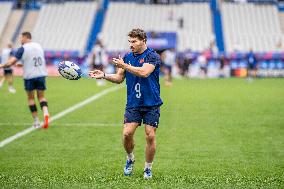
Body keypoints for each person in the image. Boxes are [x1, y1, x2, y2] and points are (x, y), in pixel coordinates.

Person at [89, 28, 163, 179]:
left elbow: (144, 72)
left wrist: (125, 66)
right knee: (127, 134)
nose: (131, 44)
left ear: (144, 41)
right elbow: (119, 78)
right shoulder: (127, 57)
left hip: (151, 103)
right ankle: (130, 158)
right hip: (133, 103)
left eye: (134, 41)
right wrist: (104, 75)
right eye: (129, 41)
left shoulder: (152, 56)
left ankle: (148, 168)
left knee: (150, 136)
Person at [0, 32, 49, 129]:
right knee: (41, 97)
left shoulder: (23, 48)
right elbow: (36, 60)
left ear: (26, 37)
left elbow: (10, 62)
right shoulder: (38, 46)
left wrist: (1, 65)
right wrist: (22, 64)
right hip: (41, 74)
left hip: (29, 76)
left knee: (31, 98)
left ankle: (36, 121)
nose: (20, 40)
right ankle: (45, 112)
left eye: (21, 38)